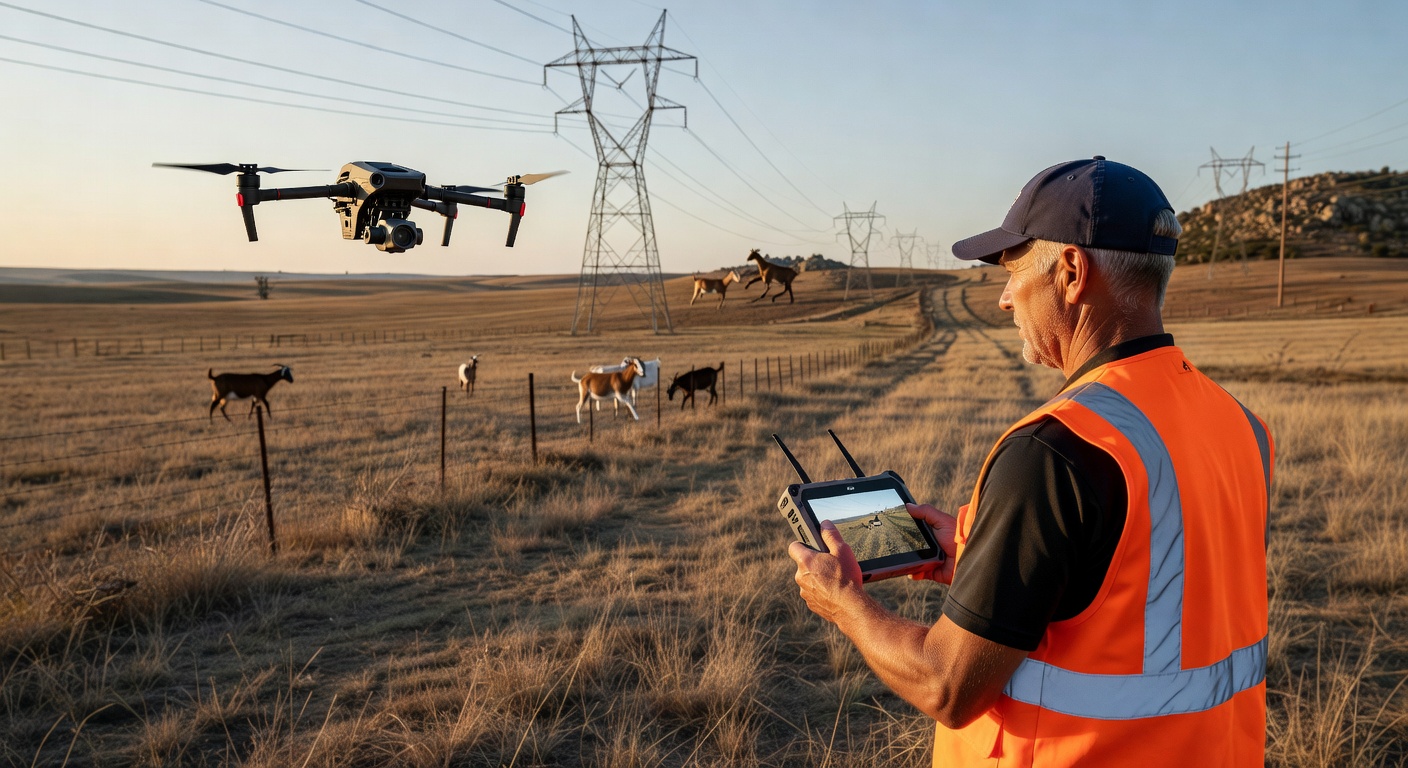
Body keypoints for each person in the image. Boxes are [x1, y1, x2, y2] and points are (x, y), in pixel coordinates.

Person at [788, 157, 1272, 766]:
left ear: (1071, 271)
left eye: (1013, 270)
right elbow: (1157, 583)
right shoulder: (1239, 424)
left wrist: (845, 606)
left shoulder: (1055, 450)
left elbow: (947, 685)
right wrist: (984, 558)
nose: (1002, 299)